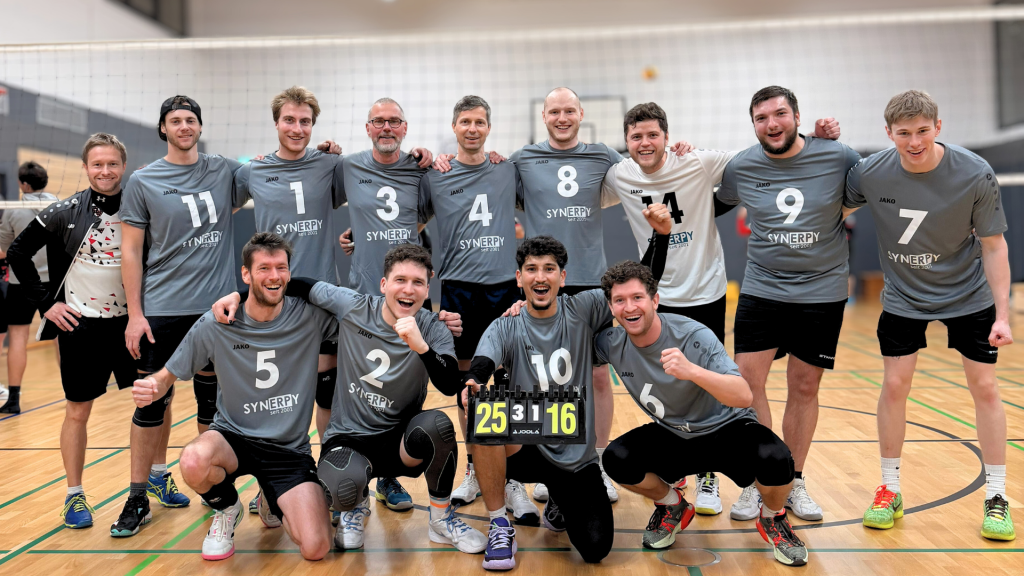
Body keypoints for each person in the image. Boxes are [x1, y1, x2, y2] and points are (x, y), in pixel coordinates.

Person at [601, 101, 840, 516]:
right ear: (625, 142)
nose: (644, 143)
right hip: (655, 296)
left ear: (667, 137)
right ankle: (675, 470)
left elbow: (762, 153)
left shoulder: (696, 161)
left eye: (653, 135)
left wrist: (818, 141)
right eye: (636, 136)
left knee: (706, 379)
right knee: (663, 382)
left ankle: (711, 475)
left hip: (704, 293)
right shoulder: (619, 175)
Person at [212, 243, 483, 553]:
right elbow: (295, 284)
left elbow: (449, 385)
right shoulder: (353, 305)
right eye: (400, 280)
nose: (408, 290)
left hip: (398, 443)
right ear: (384, 284)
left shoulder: (434, 328)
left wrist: (421, 346)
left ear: (428, 286)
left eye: (418, 282)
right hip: (350, 438)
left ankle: (441, 519)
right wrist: (239, 295)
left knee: (438, 424)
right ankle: (354, 507)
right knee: (337, 488)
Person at [844, 90, 1015, 541]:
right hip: (903, 298)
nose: (914, 141)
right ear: (889, 134)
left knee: (984, 387)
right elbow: (836, 200)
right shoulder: (870, 172)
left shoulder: (975, 173)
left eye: (922, 131)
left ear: (938, 127)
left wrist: (1003, 315)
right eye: (904, 133)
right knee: (895, 386)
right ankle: (889, 488)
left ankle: (997, 496)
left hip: (968, 296)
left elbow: (994, 246)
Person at [463, 202, 669, 570]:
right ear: (519, 278)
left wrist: (662, 236)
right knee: (484, 408)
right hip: (526, 439)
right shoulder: (506, 325)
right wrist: (473, 381)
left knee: (596, 549)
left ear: (562, 276)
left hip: (573, 444)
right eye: (531, 270)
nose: (540, 278)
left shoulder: (584, 307)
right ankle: (499, 524)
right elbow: (482, 363)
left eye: (549, 270)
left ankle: (561, 494)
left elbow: (636, 285)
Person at [133, 232, 337, 561]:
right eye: (264, 268)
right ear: (245, 274)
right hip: (233, 438)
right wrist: (154, 385)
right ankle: (228, 509)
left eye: (281, 268)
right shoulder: (218, 321)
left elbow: (364, 322)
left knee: (316, 547)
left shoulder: (310, 315)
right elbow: (169, 373)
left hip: (288, 450)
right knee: (193, 460)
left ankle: (275, 499)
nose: (274, 276)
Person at [596, 260, 807, 567]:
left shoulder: (693, 334)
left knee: (778, 460)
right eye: (620, 300)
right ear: (611, 307)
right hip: (674, 435)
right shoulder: (610, 343)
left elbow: (743, 395)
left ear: (654, 300)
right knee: (616, 459)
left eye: (637, 297)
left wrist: (692, 371)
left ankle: (773, 517)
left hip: (728, 429)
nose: (630, 307)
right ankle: (672, 506)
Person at [715, 86, 862, 522]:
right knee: (745, 384)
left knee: (804, 386)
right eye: (761, 118)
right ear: (754, 125)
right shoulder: (741, 166)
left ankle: (793, 480)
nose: (772, 124)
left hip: (821, 292)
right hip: (762, 288)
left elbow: (873, 191)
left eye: (780, 114)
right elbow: (707, 204)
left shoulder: (837, 155)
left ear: (797, 115)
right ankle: (762, 480)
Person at [118, 95, 246, 535]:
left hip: (216, 309)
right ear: (163, 129)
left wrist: (321, 152)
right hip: (163, 309)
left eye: (191, 119)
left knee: (213, 404)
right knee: (151, 402)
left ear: (199, 126)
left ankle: (217, 493)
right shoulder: (143, 180)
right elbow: (131, 250)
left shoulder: (223, 169)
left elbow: (273, 173)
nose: (185, 126)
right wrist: (135, 314)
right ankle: (137, 496)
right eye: (176, 120)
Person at [6, 134, 138, 529]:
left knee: (151, 404)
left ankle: (157, 478)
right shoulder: (64, 211)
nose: (105, 171)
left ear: (123, 166)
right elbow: (17, 253)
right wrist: (47, 304)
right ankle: (74, 495)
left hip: (131, 324)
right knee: (77, 411)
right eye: (97, 164)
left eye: (112, 163)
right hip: (81, 326)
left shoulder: (139, 207)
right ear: (85, 167)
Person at [418, 95, 537, 521]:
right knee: (470, 386)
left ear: (489, 128)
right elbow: (410, 221)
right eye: (465, 121)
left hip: (503, 289)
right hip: (459, 292)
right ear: (454, 127)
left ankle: (515, 477)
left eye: (480, 122)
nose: (472, 128)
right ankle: (475, 467)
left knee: (508, 384)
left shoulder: (507, 168)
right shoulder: (435, 174)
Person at [333, 96, 442, 511]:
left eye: (394, 122)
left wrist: (392, 235)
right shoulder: (348, 166)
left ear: (405, 127)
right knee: (359, 388)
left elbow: (424, 214)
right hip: (363, 293)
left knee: (402, 385)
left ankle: (390, 478)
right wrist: (357, 232)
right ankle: (351, 470)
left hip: (405, 295)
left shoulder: (420, 170)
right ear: (367, 128)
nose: (386, 128)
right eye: (378, 121)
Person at [0, 161, 59, 413]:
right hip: (53, 283)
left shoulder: (12, 211)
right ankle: (73, 392)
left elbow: (4, 251)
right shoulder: (59, 206)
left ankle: (13, 399)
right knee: (61, 338)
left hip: (20, 283)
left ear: (23, 183)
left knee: (17, 340)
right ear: (44, 181)